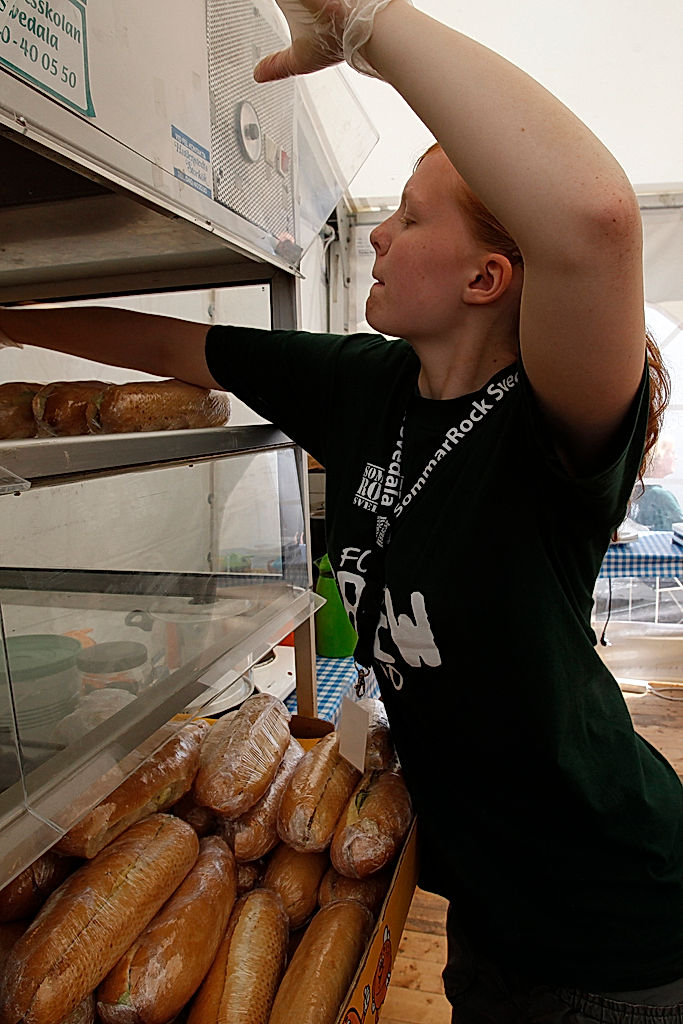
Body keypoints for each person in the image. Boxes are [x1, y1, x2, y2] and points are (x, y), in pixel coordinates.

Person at [1, 2, 682, 1020]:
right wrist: (10, 316)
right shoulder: (367, 385)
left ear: (483, 276)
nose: (374, 232)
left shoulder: (550, 423)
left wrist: (367, 26)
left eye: (408, 216)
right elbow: (167, 349)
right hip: (482, 905)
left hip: (610, 925)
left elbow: (592, 221)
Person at [631, 436, 683, 531]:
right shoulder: (660, 496)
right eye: (671, 452)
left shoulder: (637, 490)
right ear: (658, 457)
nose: (675, 457)